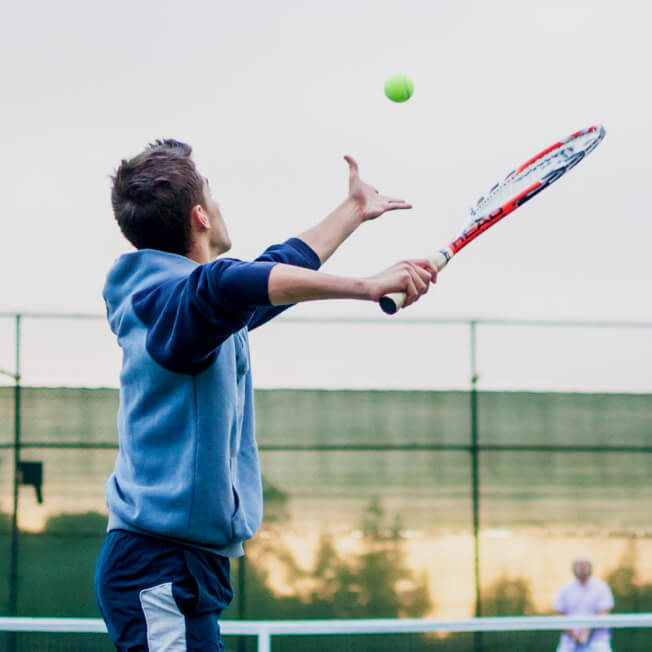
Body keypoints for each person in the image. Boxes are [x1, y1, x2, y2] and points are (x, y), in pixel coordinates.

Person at [94, 139, 437, 651]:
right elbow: (229, 284)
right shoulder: (175, 305)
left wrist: (353, 211)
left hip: (177, 564)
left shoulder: (186, 308)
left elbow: (267, 273)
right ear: (200, 217)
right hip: (158, 566)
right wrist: (367, 285)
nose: (219, 204)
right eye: (213, 195)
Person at [554, 555, 615, 652]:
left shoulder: (601, 587)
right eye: (579, 565)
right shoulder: (565, 588)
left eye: (585, 565)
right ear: (573, 568)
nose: (582, 568)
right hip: (569, 640)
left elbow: (603, 612)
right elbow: (560, 614)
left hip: (598, 639)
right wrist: (574, 635)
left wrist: (586, 632)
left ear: (590, 567)